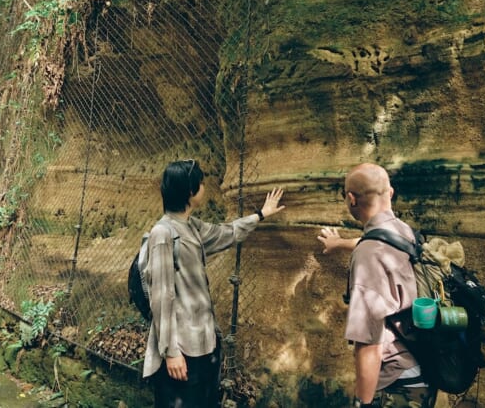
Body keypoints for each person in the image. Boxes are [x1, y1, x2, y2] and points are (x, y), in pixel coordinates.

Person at [143, 159, 285, 408]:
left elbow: (226, 234)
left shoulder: (191, 227)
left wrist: (260, 215)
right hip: (182, 349)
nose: (204, 187)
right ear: (190, 191)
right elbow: (162, 296)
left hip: (204, 343)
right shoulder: (163, 234)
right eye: (200, 183)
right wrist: (170, 352)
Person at [317, 163, 436, 408]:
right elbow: (373, 241)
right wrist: (339, 243)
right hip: (423, 373)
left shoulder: (367, 257)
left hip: (397, 385)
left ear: (351, 199)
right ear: (390, 193)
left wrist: (364, 403)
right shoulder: (405, 232)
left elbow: (369, 344)